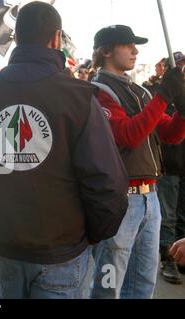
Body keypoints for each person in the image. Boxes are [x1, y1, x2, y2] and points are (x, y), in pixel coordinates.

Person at [0, 1, 129, 299]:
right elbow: (107, 181)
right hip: (61, 252)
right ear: (56, 38)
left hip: (6, 248)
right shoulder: (78, 98)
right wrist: (88, 236)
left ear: (16, 37)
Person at [89, 25, 185, 299]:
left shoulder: (141, 92)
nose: (135, 50)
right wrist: (164, 95)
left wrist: (182, 112)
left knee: (143, 283)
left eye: (135, 44)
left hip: (150, 199)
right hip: (120, 200)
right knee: (109, 285)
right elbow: (128, 135)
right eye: (127, 44)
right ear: (106, 50)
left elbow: (171, 135)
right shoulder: (96, 92)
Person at [151, 52, 185, 285]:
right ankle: (168, 258)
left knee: (182, 215)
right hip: (170, 164)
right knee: (168, 217)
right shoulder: (158, 92)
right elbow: (164, 128)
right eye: (179, 65)